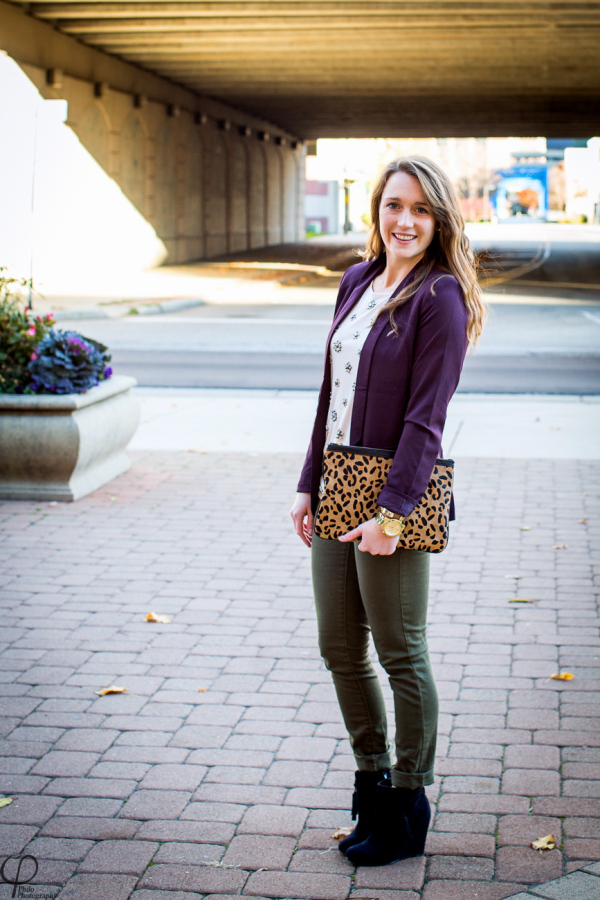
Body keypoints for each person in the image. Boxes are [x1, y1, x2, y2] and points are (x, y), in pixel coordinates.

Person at [290, 156, 485, 867]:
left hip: (394, 494)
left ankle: (408, 803)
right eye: (393, 205)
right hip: (337, 480)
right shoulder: (356, 280)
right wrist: (308, 481)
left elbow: (426, 419)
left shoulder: (440, 298)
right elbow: (329, 392)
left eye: (420, 210)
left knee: (402, 652)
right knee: (340, 647)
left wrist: (393, 513)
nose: (404, 221)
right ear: (376, 210)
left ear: (439, 221)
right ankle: (370, 785)